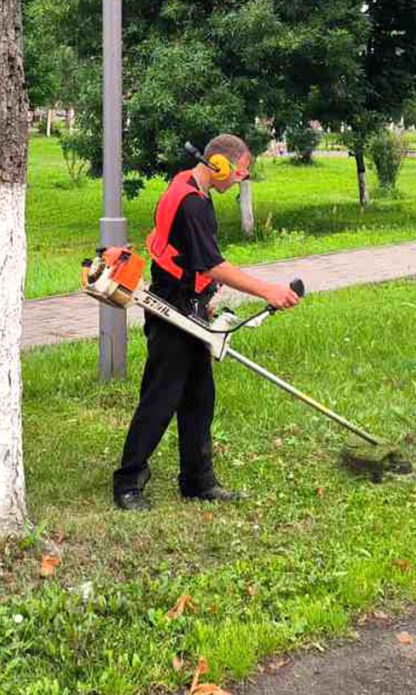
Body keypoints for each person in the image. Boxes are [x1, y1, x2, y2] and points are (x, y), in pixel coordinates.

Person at [113, 134, 301, 511]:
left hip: (187, 303)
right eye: (241, 171)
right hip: (172, 309)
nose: (239, 180)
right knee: (161, 395)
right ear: (219, 165)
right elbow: (213, 263)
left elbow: (188, 256)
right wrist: (267, 290)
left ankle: (197, 482)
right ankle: (128, 482)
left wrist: (205, 299)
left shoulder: (186, 183)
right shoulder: (192, 203)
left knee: (199, 396)